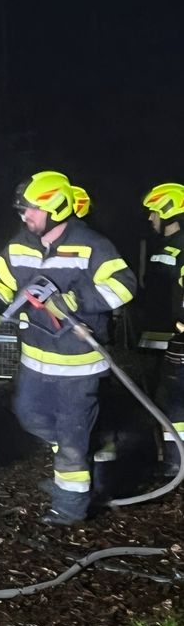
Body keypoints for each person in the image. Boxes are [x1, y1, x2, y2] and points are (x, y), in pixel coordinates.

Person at [0, 170, 136, 525]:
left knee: (71, 437)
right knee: (29, 416)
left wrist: (76, 300)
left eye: (31, 210)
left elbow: (123, 285)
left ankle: (69, 507)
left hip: (80, 363)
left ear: (57, 209)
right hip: (36, 360)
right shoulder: (19, 244)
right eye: (22, 210)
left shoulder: (92, 244)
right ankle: (80, 453)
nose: (24, 216)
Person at [139, 183, 184, 475]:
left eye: (154, 212)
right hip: (155, 333)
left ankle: (175, 461)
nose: (150, 218)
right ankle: (168, 457)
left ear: (168, 211)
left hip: (178, 336)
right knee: (160, 397)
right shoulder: (157, 246)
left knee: (176, 398)